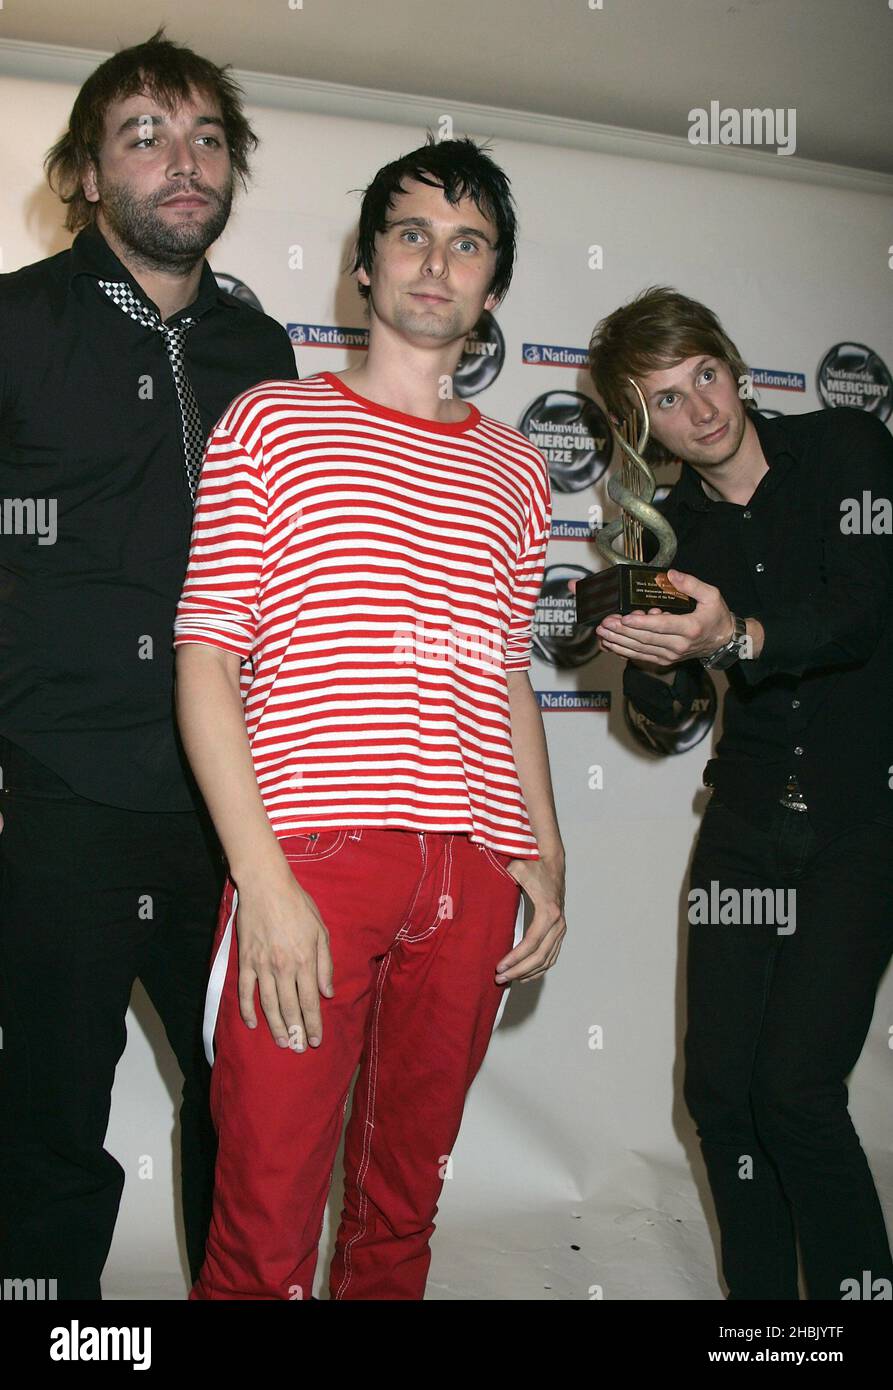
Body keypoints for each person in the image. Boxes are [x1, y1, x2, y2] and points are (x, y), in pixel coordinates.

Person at [173, 134, 566, 1301]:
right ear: (364, 265)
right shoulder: (271, 425)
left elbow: (505, 677)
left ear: (491, 288)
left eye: (466, 244)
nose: (434, 263)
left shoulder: (518, 474)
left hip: (474, 873)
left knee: (400, 1220)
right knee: (261, 1230)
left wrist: (542, 849)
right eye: (409, 234)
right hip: (312, 865)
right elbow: (205, 663)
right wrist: (264, 881)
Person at [0, 28, 298, 1301]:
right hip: (55, 796)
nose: (183, 162)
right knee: (49, 1125)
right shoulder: (12, 326)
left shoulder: (260, 354)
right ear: (82, 172)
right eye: (144, 135)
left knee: (251, 1112)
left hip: (227, 811)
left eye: (207, 138)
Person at [586, 286, 893, 1300]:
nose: (699, 411)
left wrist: (730, 636)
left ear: (732, 364)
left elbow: (855, 611)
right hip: (745, 821)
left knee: (794, 1092)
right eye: (665, 401)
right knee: (719, 1094)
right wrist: (649, 660)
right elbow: (660, 719)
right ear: (640, 427)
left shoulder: (845, 449)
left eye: (703, 376)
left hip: (862, 821)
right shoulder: (662, 532)